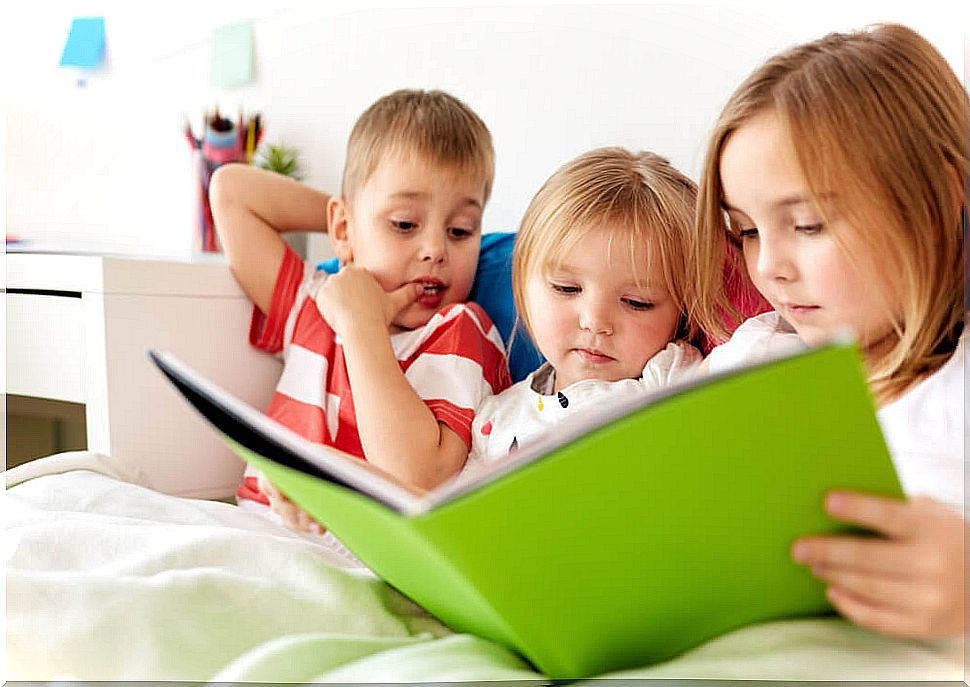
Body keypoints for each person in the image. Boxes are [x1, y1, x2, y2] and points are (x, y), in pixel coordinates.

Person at [691, 23, 966, 639]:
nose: (768, 267)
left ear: (945, 200)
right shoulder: (750, 359)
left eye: (808, 224)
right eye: (747, 230)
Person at [210, 89, 512, 535]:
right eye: (405, 224)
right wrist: (351, 228)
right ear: (344, 227)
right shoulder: (319, 300)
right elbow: (232, 192)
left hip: (358, 549)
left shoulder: (460, 330)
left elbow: (417, 480)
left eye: (460, 230)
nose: (435, 249)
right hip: (256, 526)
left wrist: (361, 324)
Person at [467, 147, 703, 465]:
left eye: (637, 303)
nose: (594, 322)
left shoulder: (673, 380)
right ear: (522, 286)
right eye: (567, 289)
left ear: (683, 311)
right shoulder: (493, 420)